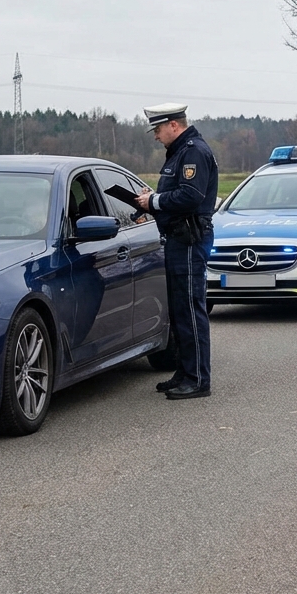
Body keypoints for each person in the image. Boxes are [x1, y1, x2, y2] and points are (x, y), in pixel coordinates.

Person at [135, 103, 217, 400]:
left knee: (191, 309)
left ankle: (197, 379)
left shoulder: (193, 151)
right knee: (180, 309)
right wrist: (152, 201)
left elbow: (191, 195)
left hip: (189, 239)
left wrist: (153, 202)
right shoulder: (181, 151)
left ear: (173, 125)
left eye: (157, 130)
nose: (156, 137)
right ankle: (185, 372)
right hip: (178, 238)